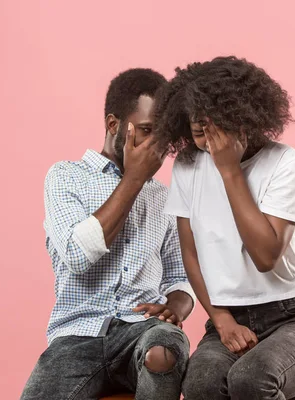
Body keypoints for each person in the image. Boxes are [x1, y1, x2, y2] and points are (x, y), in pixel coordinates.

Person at [155, 56, 295, 400]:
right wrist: (221, 320)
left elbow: (265, 256)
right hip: (225, 317)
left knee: (250, 380)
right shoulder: (188, 166)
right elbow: (190, 254)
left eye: (216, 128)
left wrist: (229, 170)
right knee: (200, 385)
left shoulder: (285, 163)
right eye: (198, 130)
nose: (208, 141)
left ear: (244, 118)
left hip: (290, 319)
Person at [21, 68, 195, 400]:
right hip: (76, 336)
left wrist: (176, 306)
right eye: (145, 131)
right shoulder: (66, 177)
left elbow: (181, 274)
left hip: (142, 331)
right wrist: (133, 180)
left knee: (166, 348)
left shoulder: (163, 195)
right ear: (113, 125)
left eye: (162, 137)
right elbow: (75, 255)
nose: (155, 148)